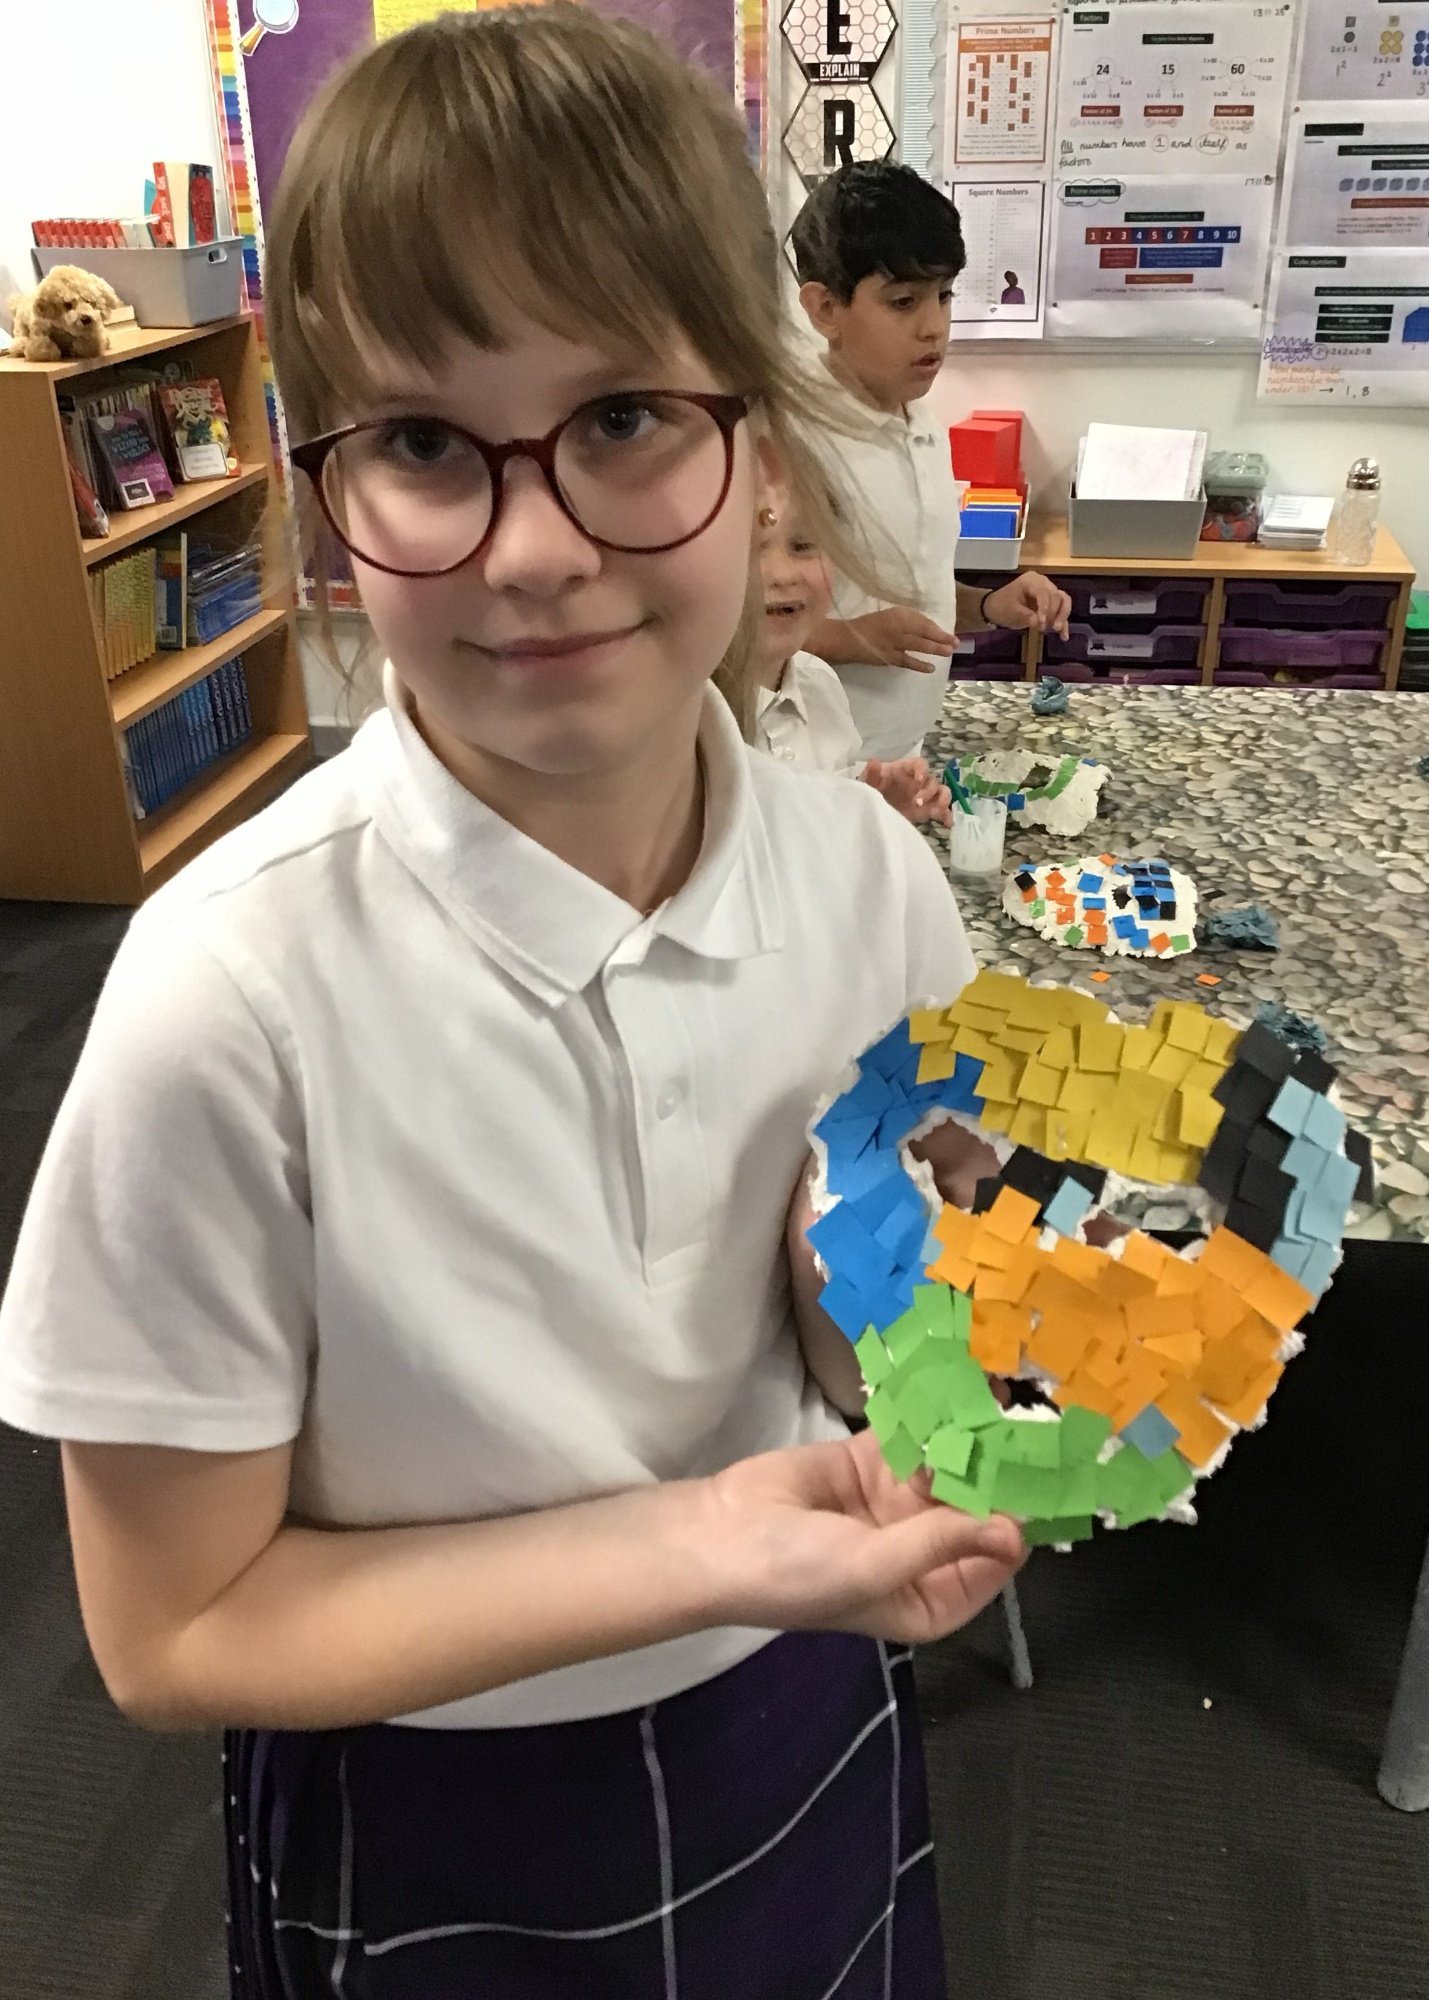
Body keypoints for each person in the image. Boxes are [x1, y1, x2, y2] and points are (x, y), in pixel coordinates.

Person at [0, 12, 1023, 1997]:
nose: (538, 550)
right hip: (424, 1790)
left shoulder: (870, 882)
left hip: (800, 1699)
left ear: (759, 442)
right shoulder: (227, 1000)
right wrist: (704, 1540)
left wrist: (893, 1337)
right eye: (419, 443)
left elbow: (881, 1347)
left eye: (624, 414)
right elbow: (171, 1628)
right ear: (323, 492)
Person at [791, 161, 1071, 762]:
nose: (934, 328)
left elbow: (916, 599)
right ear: (825, 309)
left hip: (901, 755)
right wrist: (847, 639)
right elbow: (718, 630)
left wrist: (990, 605)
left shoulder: (922, 427)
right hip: (806, 768)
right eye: (903, 301)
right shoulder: (787, 439)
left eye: (944, 296)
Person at [755, 492, 952, 825]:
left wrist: (873, 799)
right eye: (751, 550)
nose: (782, 573)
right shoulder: (687, 723)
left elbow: (825, 785)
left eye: (803, 545)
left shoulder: (819, 683)